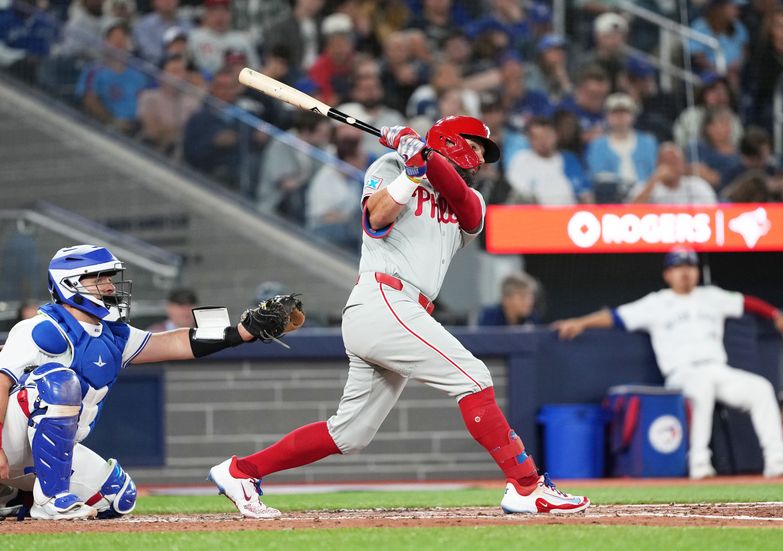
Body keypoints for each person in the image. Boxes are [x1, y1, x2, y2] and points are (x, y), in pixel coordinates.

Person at [208, 116, 590, 518]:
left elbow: (462, 204)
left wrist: (419, 153)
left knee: (349, 434)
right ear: (453, 140)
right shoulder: (389, 167)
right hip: (383, 299)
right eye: (475, 147)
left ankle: (242, 471)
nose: (479, 158)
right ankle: (527, 486)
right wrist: (410, 169)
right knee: (474, 377)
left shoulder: (472, 199)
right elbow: (376, 217)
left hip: (402, 312)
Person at [0, 245, 303, 520]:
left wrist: (241, 332)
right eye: (98, 278)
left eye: (109, 277)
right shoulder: (39, 328)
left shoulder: (112, 333)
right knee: (59, 381)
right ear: (69, 284)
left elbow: (174, 343)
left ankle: (14, 497)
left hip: (48, 454)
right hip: (7, 443)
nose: (108, 285)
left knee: (118, 499)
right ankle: (51, 499)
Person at [553, 246, 783, 480]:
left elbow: (746, 303)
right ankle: (699, 464)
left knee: (761, 388)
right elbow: (615, 317)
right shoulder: (656, 303)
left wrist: (776, 315)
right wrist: (581, 322)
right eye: (679, 266)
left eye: (690, 265)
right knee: (702, 387)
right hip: (683, 374)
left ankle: (777, 463)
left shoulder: (712, 296)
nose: (686, 271)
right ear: (667, 274)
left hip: (718, 370)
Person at [76, 20, 149, 135]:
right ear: (106, 43)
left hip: (135, 130)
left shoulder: (138, 75)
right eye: (115, 39)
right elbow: (89, 100)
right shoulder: (93, 71)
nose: (119, 43)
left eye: (123, 39)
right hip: (103, 128)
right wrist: (112, 122)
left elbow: (145, 103)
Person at [506, 116, 590, 205]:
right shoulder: (522, 159)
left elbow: (585, 194)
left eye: (547, 136)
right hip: (535, 214)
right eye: (536, 137)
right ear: (529, 140)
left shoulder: (568, 159)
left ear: (556, 136)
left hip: (569, 214)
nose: (542, 141)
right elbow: (519, 195)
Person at [586, 92, 658, 192]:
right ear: (607, 116)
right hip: (612, 202)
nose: (620, 116)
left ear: (633, 115)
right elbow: (596, 177)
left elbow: (654, 172)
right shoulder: (597, 145)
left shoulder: (648, 142)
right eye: (615, 112)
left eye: (624, 112)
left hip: (647, 199)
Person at [138, 54, 202, 155]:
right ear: (162, 75)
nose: (180, 77)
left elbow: (188, 135)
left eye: (182, 72)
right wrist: (175, 130)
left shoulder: (192, 104)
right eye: (174, 72)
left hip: (174, 157)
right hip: (146, 151)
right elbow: (152, 131)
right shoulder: (149, 97)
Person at [627, 143, 717, 204]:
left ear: (683, 164)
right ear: (658, 164)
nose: (671, 166)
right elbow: (631, 214)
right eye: (667, 161)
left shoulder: (697, 185)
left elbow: (712, 212)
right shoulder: (644, 187)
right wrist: (653, 180)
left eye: (675, 161)